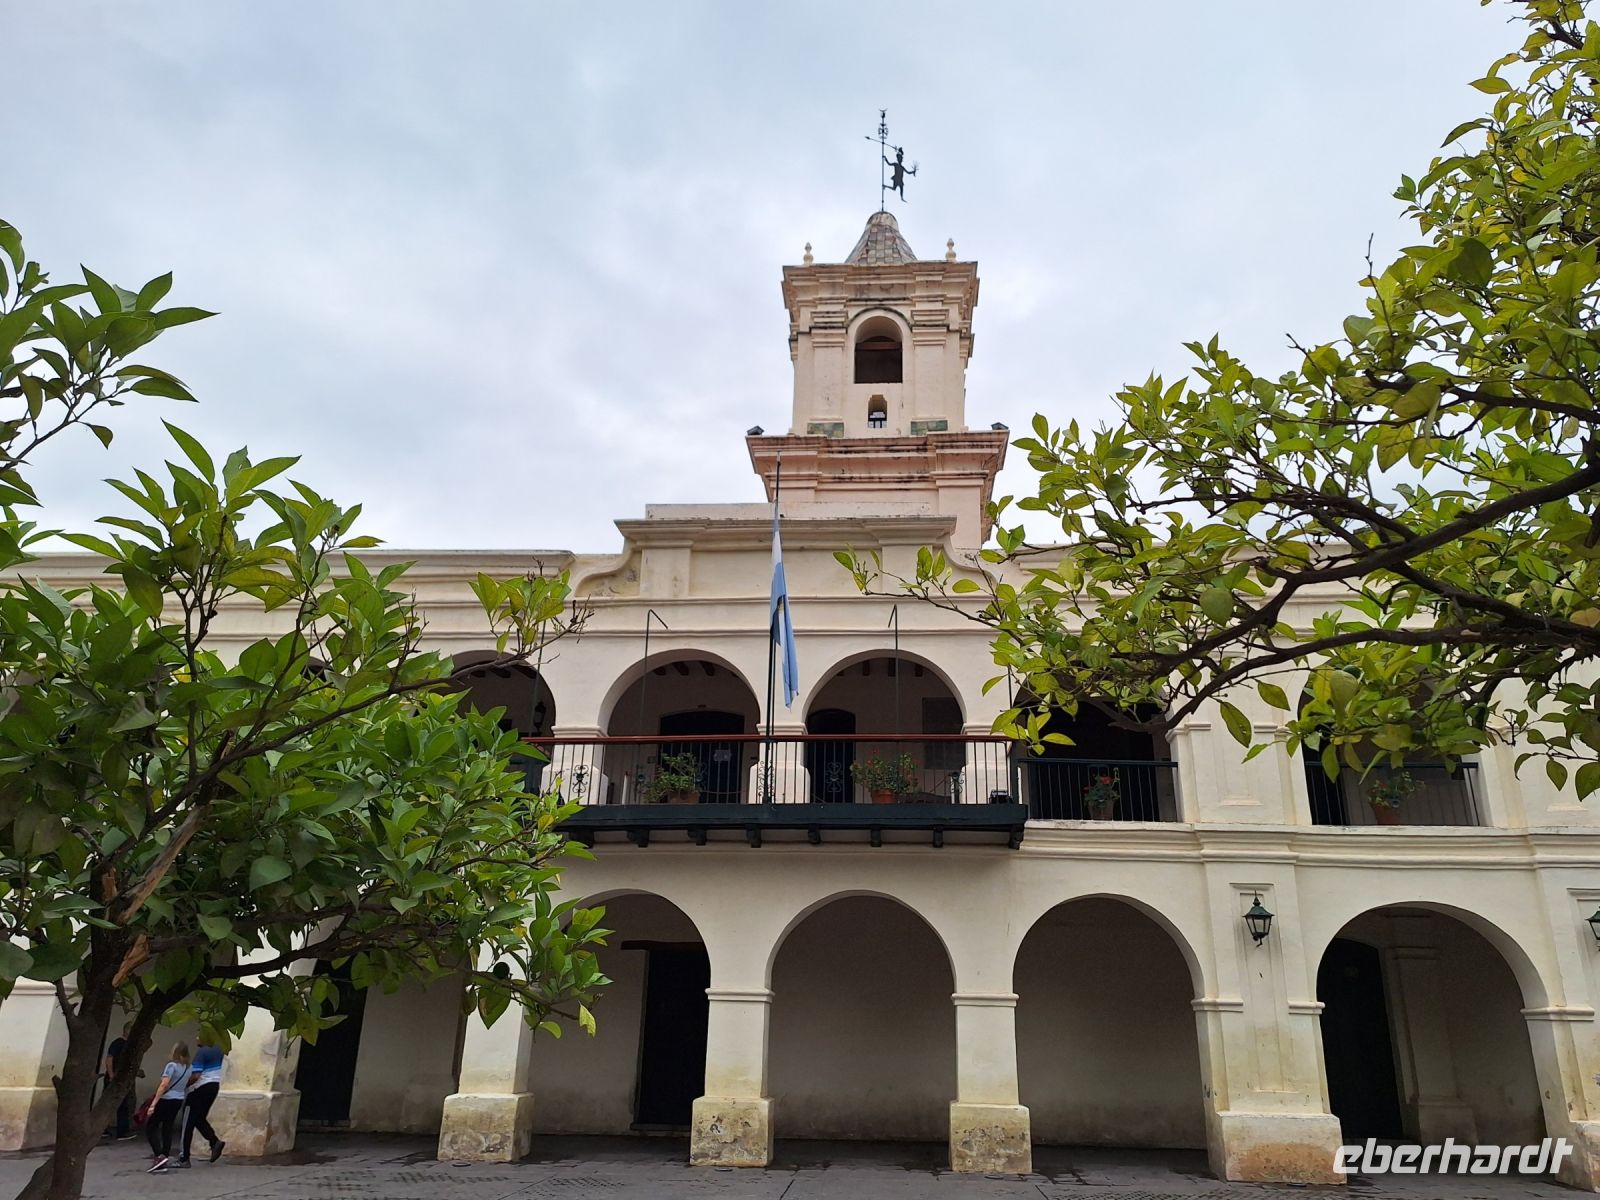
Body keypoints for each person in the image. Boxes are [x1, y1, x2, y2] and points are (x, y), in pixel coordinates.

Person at [178, 1036, 226, 1165]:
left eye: (199, 1034)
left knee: (188, 1121)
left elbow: (196, 1075)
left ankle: (184, 1157)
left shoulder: (202, 1052)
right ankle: (214, 1142)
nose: (196, 1038)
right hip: (214, 1086)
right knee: (198, 1118)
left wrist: (182, 1085)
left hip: (200, 1087)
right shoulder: (219, 1050)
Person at [144, 1041, 190, 1173]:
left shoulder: (171, 1066)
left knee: (151, 1126)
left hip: (166, 1099)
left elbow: (164, 1085)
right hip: (179, 1099)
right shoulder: (188, 1068)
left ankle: (159, 1155)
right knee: (167, 1127)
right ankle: (165, 1154)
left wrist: (153, 1104)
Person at [102, 1021, 137, 1140]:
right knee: (114, 1104)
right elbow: (109, 1059)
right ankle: (119, 1131)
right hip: (115, 1078)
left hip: (122, 1078)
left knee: (122, 1104)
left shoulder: (128, 1045)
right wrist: (111, 1075)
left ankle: (118, 1130)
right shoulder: (118, 1043)